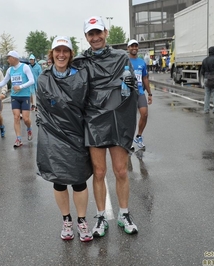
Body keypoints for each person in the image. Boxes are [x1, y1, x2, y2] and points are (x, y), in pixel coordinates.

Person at [73, 16, 139, 236]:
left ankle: (124, 213)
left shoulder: (121, 57)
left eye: (98, 32)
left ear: (106, 33)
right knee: (99, 172)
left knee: (121, 171)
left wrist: (132, 84)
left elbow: (132, 85)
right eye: (91, 34)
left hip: (118, 119)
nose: (96, 37)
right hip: (94, 121)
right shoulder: (81, 62)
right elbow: (71, 89)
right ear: (86, 37)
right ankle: (101, 217)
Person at [36, 36, 93, 242]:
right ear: (52, 54)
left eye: (65, 51)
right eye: (57, 51)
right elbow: (42, 108)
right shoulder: (43, 78)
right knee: (59, 180)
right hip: (53, 135)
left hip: (77, 133)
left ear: (70, 54)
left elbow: (88, 104)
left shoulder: (81, 76)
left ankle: (82, 221)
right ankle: (66, 219)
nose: (61, 54)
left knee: (79, 180)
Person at [0, 51, 35, 147]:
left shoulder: (25, 67)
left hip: (25, 96)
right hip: (15, 96)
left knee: (26, 118)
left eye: (9, 58)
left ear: (14, 58)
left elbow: (32, 80)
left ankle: (29, 128)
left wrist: (21, 86)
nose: (7, 60)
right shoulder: (10, 70)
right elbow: (4, 82)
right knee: (16, 117)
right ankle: (18, 139)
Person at [127, 39, 153, 149]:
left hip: (140, 92)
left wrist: (150, 93)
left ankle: (139, 136)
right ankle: (128, 141)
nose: (134, 48)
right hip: (128, 93)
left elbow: (145, 78)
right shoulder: (124, 61)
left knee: (144, 114)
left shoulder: (142, 62)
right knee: (129, 118)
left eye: (136, 46)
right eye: (131, 46)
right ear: (128, 48)